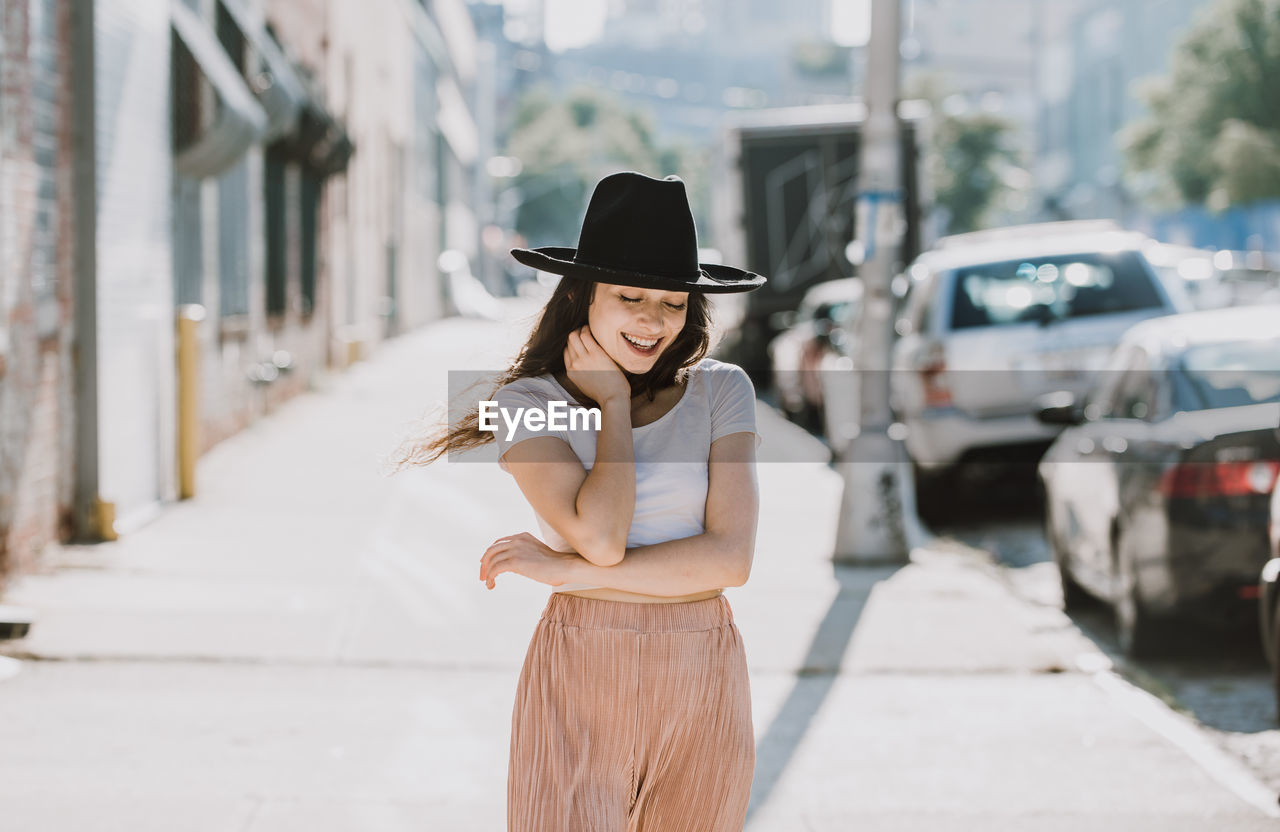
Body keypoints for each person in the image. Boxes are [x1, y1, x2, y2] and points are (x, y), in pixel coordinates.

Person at [400, 171, 766, 831]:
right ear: (582, 296)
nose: (653, 321)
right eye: (631, 296)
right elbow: (600, 537)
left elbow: (730, 559)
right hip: (580, 670)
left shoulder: (723, 391)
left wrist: (566, 572)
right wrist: (614, 405)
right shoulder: (524, 405)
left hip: (702, 668)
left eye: (674, 303)